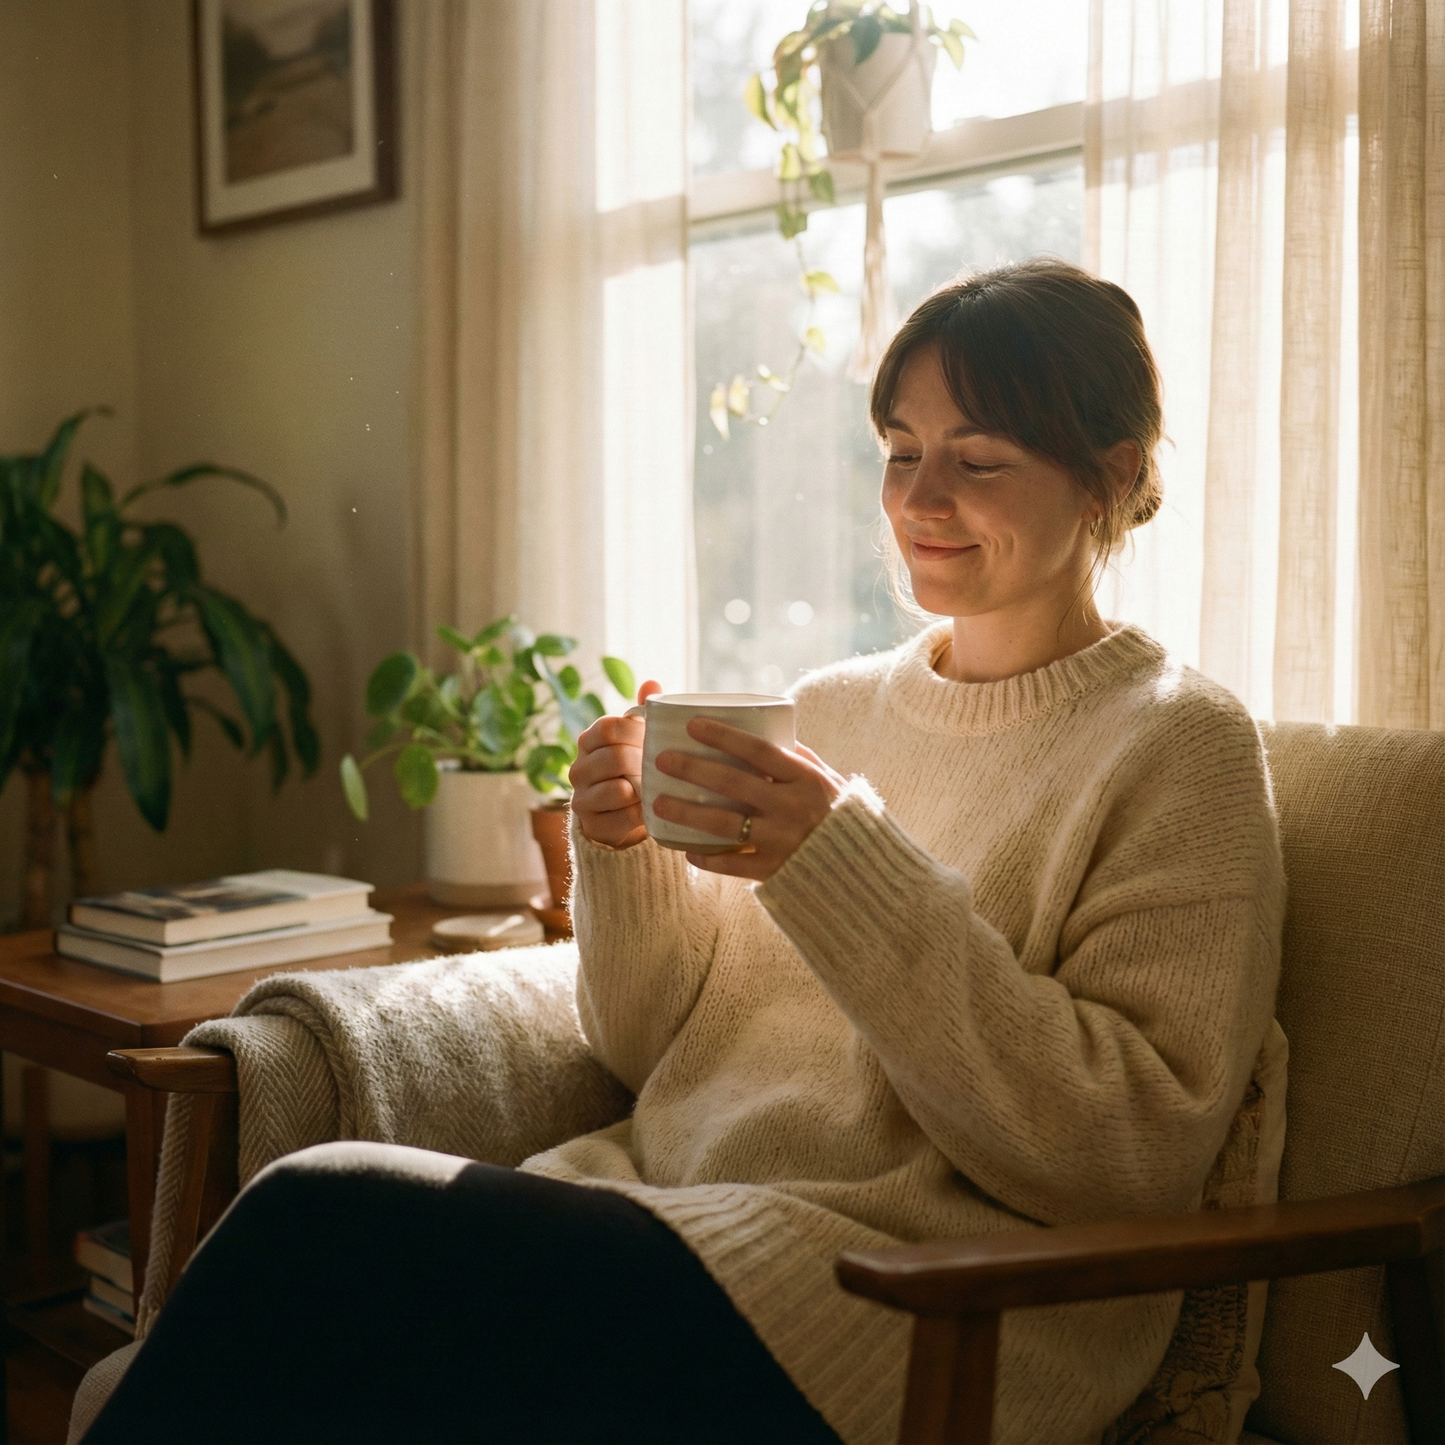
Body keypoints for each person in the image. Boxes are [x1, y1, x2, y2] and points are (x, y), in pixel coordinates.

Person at [84, 258, 1285, 1445]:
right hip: (667, 1218)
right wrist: (625, 857)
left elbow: (1122, 1154)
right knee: (311, 1299)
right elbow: (657, 1046)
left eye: (974, 460)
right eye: (899, 450)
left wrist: (843, 867)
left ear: (1109, 478)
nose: (919, 498)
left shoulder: (1178, 749)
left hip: (908, 1295)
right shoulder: (832, 708)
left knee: (319, 1208)